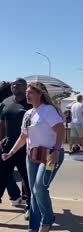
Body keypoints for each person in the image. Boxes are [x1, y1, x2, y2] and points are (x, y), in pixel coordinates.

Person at [2, 82, 65, 232]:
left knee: (39, 188)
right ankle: (34, 228)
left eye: (30, 92)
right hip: (31, 156)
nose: (27, 95)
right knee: (33, 192)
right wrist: (11, 152)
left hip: (50, 155)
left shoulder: (48, 110)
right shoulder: (28, 113)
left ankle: (48, 219)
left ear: (40, 94)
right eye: (27, 92)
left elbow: (60, 129)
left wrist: (56, 150)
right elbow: (23, 137)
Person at [0, 78, 31, 218]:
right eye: (13, 84)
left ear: (25, 87)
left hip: (26, 147)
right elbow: (1, 123)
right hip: (7, 147)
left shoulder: (31, 103)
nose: (14, 86)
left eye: (18, 85)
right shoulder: (5, 102)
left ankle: (30, 206)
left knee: (27, 178)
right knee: (1, 177)